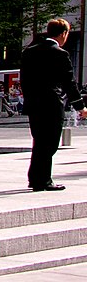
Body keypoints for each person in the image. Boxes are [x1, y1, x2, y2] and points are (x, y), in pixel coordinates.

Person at [19, 19, 87, 191]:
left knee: (39, 140)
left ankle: (35, 178)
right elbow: (69, 83)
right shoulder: (60, 53)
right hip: (51, 103)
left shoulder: (29, 52)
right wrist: (80, 106)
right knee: (50, 142)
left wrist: (30, 99)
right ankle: (43, 179)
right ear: (63, 33)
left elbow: (24, 81)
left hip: (34, 103)